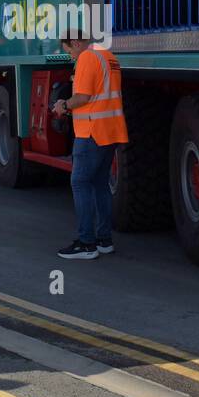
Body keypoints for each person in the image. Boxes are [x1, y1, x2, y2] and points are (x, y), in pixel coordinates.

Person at [51, 32, 129, 260]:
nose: (72, 57)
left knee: (79, 182)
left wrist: (63, 105)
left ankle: (86, 243)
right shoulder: (109, 56)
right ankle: (104, 240)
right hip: (111, 130)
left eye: (69, 52)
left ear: (75, 43)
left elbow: (83, 97)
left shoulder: (86, 58)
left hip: (91, 131)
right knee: (100, 184)